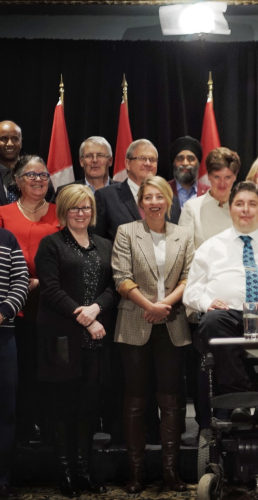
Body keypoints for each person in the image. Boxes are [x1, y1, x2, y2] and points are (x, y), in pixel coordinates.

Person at [111, 176, 194, 493]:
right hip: (135, 320)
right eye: (148, 197)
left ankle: (171, 473)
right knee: (135, 399)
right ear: (140, 202)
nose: (154, 202)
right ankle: (136, 473)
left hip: (171, 323)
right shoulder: (126, 232)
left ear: (169, 200)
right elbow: (121, 277)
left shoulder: (183, 235)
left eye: (160, 196)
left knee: (171, 400)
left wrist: (164, 305)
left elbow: (189, 277)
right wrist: (150, 306)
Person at [35, 185, 117, 497]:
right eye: (74, 208)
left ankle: (84, 471)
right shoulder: (51, 244)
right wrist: (86, 317)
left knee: (87, 408)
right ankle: (65, 473)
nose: (80, 213)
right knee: (62, 408)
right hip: (62, 338)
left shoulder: (104, 245)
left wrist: (97, 308)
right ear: (64, 211)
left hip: (95, 341)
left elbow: (114, 286)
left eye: (85, 208)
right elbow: (51, 289)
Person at [183, 182, 258, 407]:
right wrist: (207, 303)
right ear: (230, 209)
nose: (245, 209)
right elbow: (191, 291)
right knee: (211, 321)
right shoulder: (210, 247)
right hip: (229, 316)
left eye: (252, 204)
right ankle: (243, 397)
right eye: (239, 204)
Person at [0, 155, 60, 446]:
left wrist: (42, 283)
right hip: (15, 309)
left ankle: (50, 431)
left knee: (50, 370)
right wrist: (23, 285)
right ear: (17, 180)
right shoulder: (3, 213)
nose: (38, 180)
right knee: (20, 374)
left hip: (52, 305)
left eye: (44, 175)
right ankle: (23, 430)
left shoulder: (62, 213)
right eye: (31, 175)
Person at [94, 139, 181, 241]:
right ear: (128, 163)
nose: (148, 163)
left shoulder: (171, 200)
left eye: (152, 160)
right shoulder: (106, 197)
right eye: (142, 158)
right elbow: (97, 241)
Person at [0, 229, 29, 500]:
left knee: (5, 411)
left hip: (4, 334)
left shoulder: (6, 238)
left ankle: (3, 479)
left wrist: (4, 312)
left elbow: (21, 280)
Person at [179, 147, 240, 249]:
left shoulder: (241, 208)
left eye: (227, 177)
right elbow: (184, 250)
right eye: (217, 177)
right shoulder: (192, 208)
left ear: (235, 177)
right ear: (209, 176)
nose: (222, 183)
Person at [0, 121, 55, 205]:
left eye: (15, 139)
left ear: (21, 142)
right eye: (3, 139)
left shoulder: (39, 174)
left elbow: (49, 205)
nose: (10, 144)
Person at [168, 136, 205, 208]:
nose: (185, 163)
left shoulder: (210, 193)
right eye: (180, 158)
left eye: (191, 159)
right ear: (174, 163)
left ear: (198, 163)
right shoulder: (162, 190)